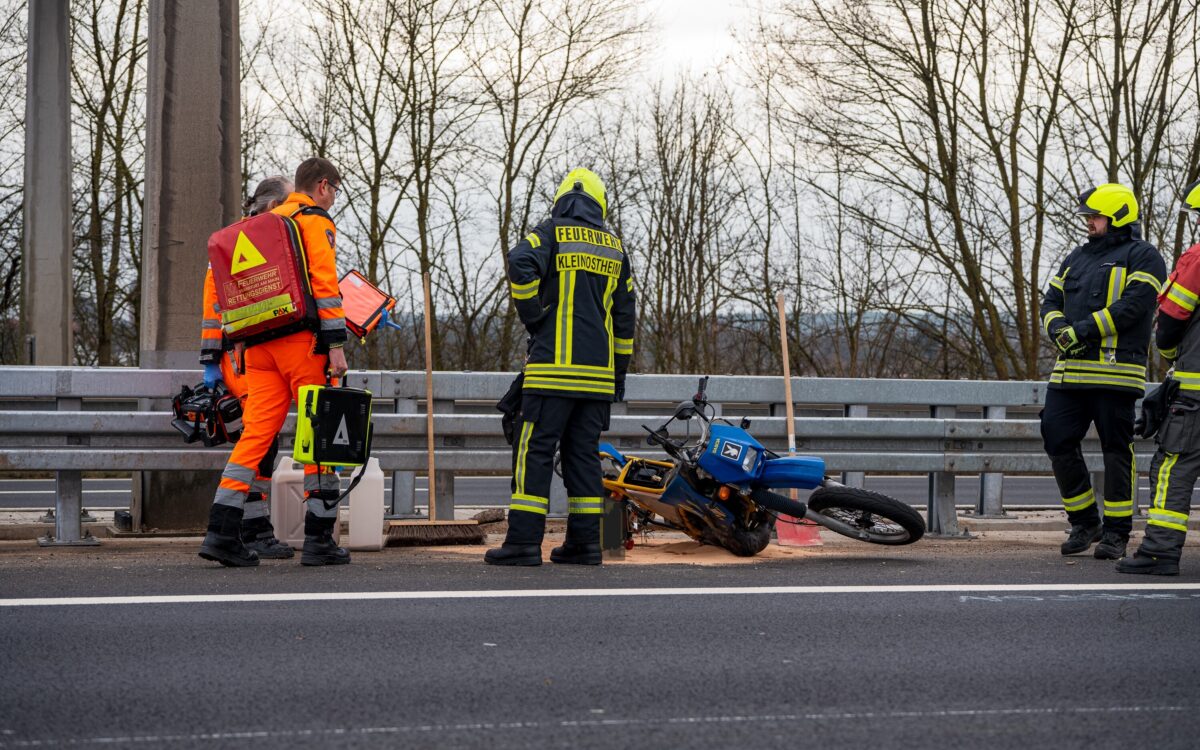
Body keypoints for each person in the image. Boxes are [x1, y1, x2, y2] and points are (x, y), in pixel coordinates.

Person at [199, 157, 350, 567]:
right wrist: (336, 343)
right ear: (323, 186)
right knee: (319, 435)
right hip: (302, 346)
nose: (334, 199)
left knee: (255, 436)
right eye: (335, 191)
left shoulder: (254, 227)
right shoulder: (312, 220)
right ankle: (319, 538)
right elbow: (324, 283)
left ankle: (220, 533)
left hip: (258, 349)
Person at [485, 168, 637, 566]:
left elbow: (520, 259)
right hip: (598, 380)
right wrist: (617, 378)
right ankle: (586, 545)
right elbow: (625, 322)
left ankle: (522, 543)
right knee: (582, 458)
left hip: (552, 372)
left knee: (533, 452)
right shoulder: (616, 249)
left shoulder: (552, 232)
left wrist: (533, 316)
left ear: (563, 200)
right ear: (599, 204)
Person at [1039, 183, 1166, 559]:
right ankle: (1084, 522)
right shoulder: (1076, 257)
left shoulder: (1144, 257)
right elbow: (1050, 302)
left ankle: (1116, 532)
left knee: (1116, 451)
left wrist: (1082, 331)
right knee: (1056, 438)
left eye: (1096, 217)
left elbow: (1134, 306)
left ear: (1118, 218)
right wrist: (1059, 330)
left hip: (1116, 375)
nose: (1089, 222)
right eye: (1089, 216)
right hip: (1069, 374)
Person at [198, 176, 295, 560]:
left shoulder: (236, 240)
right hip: (244, 361)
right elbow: (214, 309)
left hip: (247, 359)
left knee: (260, 444)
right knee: (258, 443)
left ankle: (251, 530)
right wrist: (211, 362)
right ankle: (249, 532)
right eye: (289, 204)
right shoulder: (245, 243)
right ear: (272, 207)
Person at [1118, 178, 1200, 575]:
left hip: (1195, 396)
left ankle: (1159, 553)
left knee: (1174, 467)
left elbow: (1169, 321)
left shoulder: (1198, 257)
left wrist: (1171, 358)